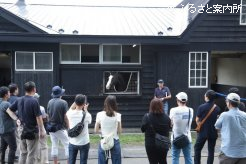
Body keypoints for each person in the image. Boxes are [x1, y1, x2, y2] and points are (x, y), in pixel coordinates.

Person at [6, 81, 46, 164]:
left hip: (21, 129)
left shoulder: (19, 99)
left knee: (23, 153)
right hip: (31, 130)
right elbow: (38, 117)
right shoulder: (34, 101)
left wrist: (16, 118)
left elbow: (9, 110)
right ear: (34, 89)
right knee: (31, 154)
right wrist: (42, 130)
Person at [215, 93, 246, 164]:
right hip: (243, 152)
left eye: (226, 101)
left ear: (228, 103)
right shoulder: (245, 115)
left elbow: (217, 126)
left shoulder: (224, 115)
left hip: (228, 152)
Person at [141, 98, 171, 164]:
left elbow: (142, 129)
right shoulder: (166, 117)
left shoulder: (147, 116)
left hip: (151, 143)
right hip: (163, 143)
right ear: (161, 106)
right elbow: (169, 128)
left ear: (151, 106)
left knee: (152, 162)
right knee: (163, 161)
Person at [194, 90, 220, 164]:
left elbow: (197, 120)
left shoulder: (201, 107)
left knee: (197, 148)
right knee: (211, 151)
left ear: (207, 97)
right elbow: (217, 121)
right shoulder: (217, 108)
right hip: (213, 132)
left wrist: (200, 125)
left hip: (203, 132)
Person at [94, 95, 122, 164]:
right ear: (115, 104)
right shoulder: (118, 115)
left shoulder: (99, 114)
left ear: (105, 103)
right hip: (114, 139)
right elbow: (120, 131)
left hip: (104, 140)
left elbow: (96, 130)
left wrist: (102, 131)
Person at [66, 94, 92, 164]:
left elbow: (71, 108)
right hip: (84, 142)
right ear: (84, 104)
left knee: (71, 161)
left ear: (75, 102)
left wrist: (76, 101)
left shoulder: (69, 113)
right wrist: (86, 109)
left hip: (72, 142)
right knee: (83, 162)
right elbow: (90, 121)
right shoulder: (87, 115)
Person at [47, 86, 69, 164]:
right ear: (60, 94)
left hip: (51, 127)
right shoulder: (63, 102)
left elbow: (48, 115)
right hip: (60, 127)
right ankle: (68, 162)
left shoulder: (49, 102)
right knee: (67, 144)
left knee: (54, 145)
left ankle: (55, 162)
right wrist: (68, 126)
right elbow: (65, 116)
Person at [169, 92, 193, 164]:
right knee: (188, 158)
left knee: (175, 158)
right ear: (186, 101)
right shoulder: (190, 110)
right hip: (187, 137)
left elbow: (170, 124)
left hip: (175, 138)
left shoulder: (173, 110)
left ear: (178, 100)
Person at [0, 86, 17, 164]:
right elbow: (13, 114)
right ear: (6, 94)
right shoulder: (6, 104)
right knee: (13, 147)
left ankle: (2, 162)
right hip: (8, 129)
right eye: (9, 92)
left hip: (2, 130)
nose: (10, 94)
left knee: (2, 148)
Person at [33, 93, 49, 164]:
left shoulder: (27, 106)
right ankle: (44, 161)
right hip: (40, 127)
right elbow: (44, 119)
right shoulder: (41, 108)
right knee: (44, 146)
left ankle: (37, 161)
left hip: (32, 128)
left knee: (35, 146)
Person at [8, 83, 20, 161]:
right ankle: (16, 155)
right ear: (15, 90)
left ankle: (12, 154)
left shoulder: (7, 98)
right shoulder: (17, 99)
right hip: (15, 120)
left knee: (9, 140)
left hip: (7, 121)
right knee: (17, 139)